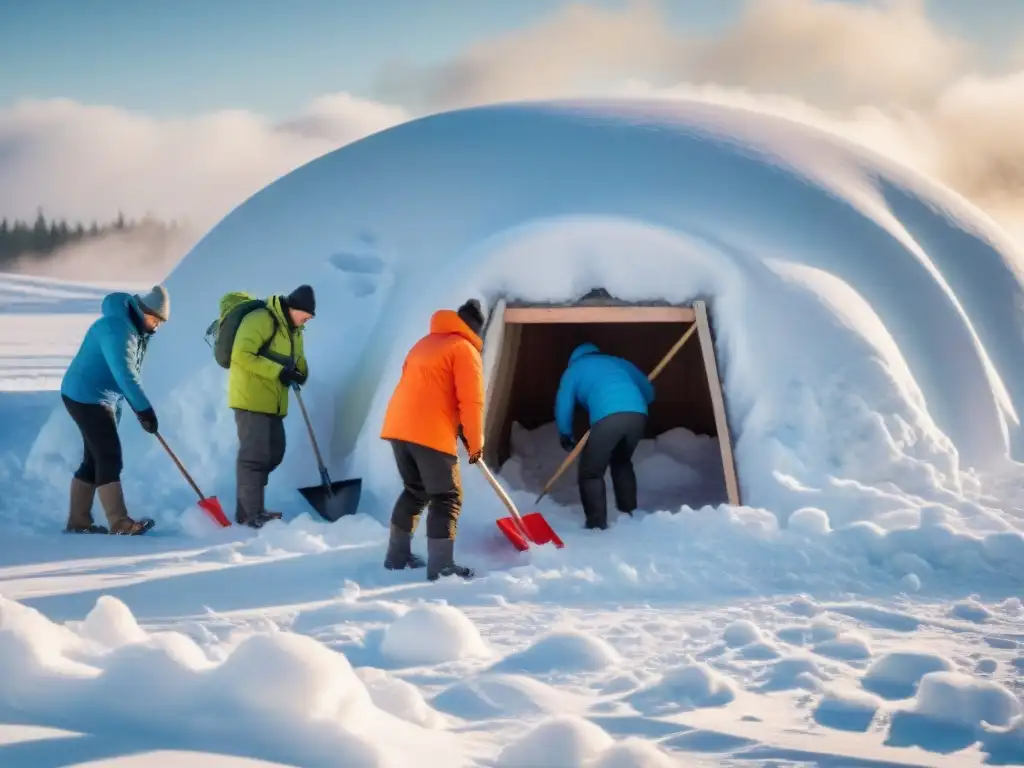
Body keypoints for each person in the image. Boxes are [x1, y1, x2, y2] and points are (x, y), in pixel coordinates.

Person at [379, 298, 486, 581]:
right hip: (428, 431)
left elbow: (427, 389)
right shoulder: (464, 349)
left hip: (398, 427)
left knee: (416, 490)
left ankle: (397, 557)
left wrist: (459, 426)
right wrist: (476, 443)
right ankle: (442, 568)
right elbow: (472, 402)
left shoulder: (423, 344)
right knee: (447, 497)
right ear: (475, 328)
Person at [60, 286, 170, 535]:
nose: (157, 326)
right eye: (156, 320)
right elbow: (125, 375)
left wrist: (124, 409)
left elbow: (125, 378)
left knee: (94, 457)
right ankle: (119, 524)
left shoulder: (136, 331)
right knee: (109, 456)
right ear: (144, 312)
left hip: (102, 399)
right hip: (84, 395)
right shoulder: (116, 330)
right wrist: (145, 411)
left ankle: (78, 522)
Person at [228, 284, 314, 528]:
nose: (306, 321)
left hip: (273, 402)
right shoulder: (261, 319)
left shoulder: (294, 330)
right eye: (305, 316)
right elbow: (241, 354)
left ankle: (255, 508)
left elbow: (298, 360)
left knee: (274, 452)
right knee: (254, 457)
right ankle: (249, 514)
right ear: (294, 308)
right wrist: (279, 372)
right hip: (251, 398)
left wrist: (300, 374)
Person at [554, 343, 654, 530]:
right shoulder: (620, 363)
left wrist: (565, 433)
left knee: (591, 473)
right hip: (638, 415)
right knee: (621, 462)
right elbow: (649, 392)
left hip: (608, 418)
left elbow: (564, 404)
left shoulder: (574, 370)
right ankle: (629, 512)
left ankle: (596, 524)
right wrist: (632, 404)